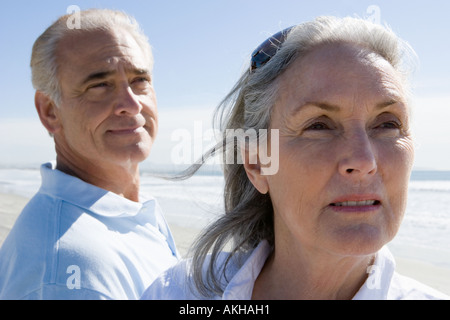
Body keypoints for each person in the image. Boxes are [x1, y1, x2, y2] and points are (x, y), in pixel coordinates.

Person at [142, 16, 449, 300]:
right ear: (257, 163)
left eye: (387, 124)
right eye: (319, 126)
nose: (364, 160)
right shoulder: (180, 292)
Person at [0, 9, 179, 300]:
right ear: (49, 112)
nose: (131, 104)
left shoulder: (125, 209)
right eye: (100, 85)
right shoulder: (71, 271)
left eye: (139, 80)